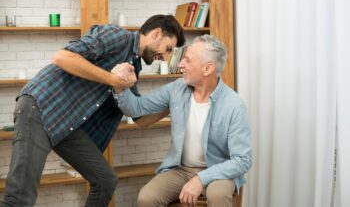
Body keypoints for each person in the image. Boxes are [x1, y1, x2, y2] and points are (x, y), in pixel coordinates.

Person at [0, 14, 185, 207]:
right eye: (168, 49)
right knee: (19, 197)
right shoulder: (117, 36)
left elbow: (139, 117)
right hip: (40, 107)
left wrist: (176, 102)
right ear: (156, 34)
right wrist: (114, 80)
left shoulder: (133, 66)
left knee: (105, 181)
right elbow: (63, 57)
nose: (165, 57)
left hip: (68, 123)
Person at [113, 34, 252, 207]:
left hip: (217, 171)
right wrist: (119, 85)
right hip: (181, 170)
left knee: (217, 195)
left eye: (187, 60)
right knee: (146, 198)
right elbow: (136, 108)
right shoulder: (177, 89)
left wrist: (201, 179)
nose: (180, 65)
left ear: (207, 69)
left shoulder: (233, 105)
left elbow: (242, 160)